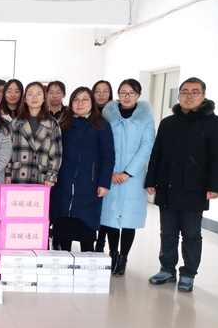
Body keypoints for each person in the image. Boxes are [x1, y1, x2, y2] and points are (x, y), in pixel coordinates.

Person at [146, 77, 218, 292]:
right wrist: (151, 180)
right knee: (167, 231)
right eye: (185, 92)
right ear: (178, 96)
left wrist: (215, 186)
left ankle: (188, 273)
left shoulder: (213, 123)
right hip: (167, 185)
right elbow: (157, 153)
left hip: (195, 188)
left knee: (191, 234)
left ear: (203, 96)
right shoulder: (168, 122)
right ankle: (167, 269)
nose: (189, 96)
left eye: (194, 92)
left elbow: (217, 157)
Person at [100, 79, 155, 276]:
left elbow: (146, 148)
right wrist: (112, 172)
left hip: (133, 177)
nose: (127, 96)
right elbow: (103, 146)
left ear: (138, 95)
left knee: (129, 219)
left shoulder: (146, 119)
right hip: (111, 173)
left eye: (131, 93)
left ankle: (123, 257)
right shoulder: (108, 116)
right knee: (110, 217)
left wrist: (127, 173)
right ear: (118, 94)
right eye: (123, 92)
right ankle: (113, 254)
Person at [50, 87, 115, 252]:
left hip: (89, 185)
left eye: (85, 100)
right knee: (63, 233)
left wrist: (104, 183)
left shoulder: (101, 126)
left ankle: (87, 264)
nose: (80, 104)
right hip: (63, 183)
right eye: (76, 100)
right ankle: (63, 263)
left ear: (92, 103)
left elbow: (108, 157)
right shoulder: (62, 125)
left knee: (86, 235)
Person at [5, 82, 62, 185]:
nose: (34, 97)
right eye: (30, 94)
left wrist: (51, 176)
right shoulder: (15, 123)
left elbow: (56, 154)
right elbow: (7, 151)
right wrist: (7, 173)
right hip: (17, 175)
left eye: (38, 94)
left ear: (44, 98)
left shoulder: (52, 123)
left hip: (41, 177)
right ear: (25, 99)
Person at [93, 80, 115, 252]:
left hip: (110, 169)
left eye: (105, 91)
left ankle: (103, 245)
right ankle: (96, 244)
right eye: (97, 91)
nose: (101, 94)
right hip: (91, 169)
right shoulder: (85, 113)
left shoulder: (115, 115)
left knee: (108, 213)